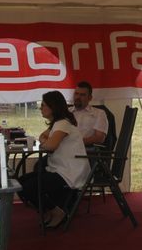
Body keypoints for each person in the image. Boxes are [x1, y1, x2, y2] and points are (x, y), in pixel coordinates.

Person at [18, 91, 89, 228]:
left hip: (69, 172)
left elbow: (50, 145)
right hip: (61, 169)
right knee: (21, 182)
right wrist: (46, 140)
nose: (41, 108)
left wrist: (46, 142)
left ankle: (56, 212)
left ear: (53, 106)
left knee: (27, 186)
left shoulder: (62, 123)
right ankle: (49, 210)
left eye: (43, 105)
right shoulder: (57, 123)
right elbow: (42, 136)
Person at [71, 81, 108, 145]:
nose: (78, 97)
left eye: (82, 95)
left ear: (90, 98)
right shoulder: (66, 112)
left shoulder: (99, 113)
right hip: (66, 149)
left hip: (87, 150)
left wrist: (76, 143)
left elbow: (99, 138)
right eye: (76, 94)